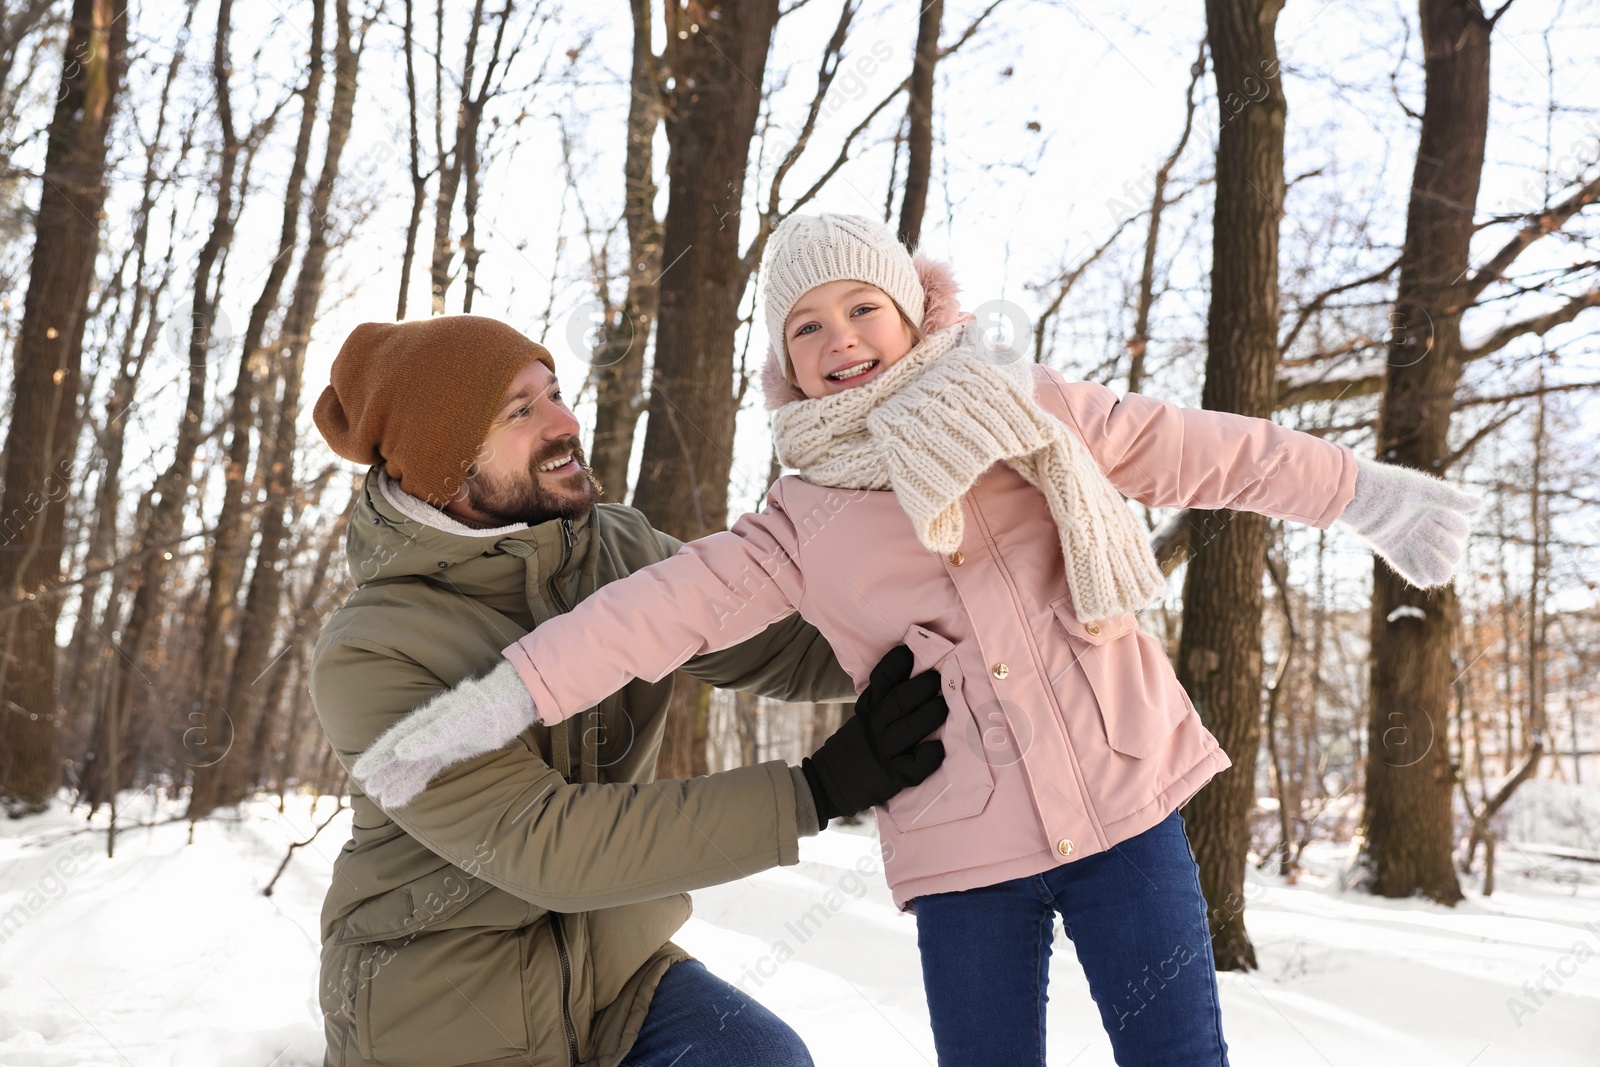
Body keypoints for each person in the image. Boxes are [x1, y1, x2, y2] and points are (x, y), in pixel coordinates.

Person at [354, 215, 1479, 1066]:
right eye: (806, 326)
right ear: (783, 365)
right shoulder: (796, 519)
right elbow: (654, 612)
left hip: (1128, 803)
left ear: (912, 312)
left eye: (861, 310)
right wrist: (498, 699)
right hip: (963, 852)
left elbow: (1202, 450)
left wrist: (1364, 495)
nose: (838, 339)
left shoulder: (1026, 405)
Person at [308, 313, 950, 1067]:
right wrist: (816, 788)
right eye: (522, 411)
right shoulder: (373, 652)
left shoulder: (615, 548)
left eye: (554, 392)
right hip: (443, 1016)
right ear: (444, 461)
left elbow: (779, 643)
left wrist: (954, 622)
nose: (566, 421)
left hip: (616, 980)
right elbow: (544, 841)